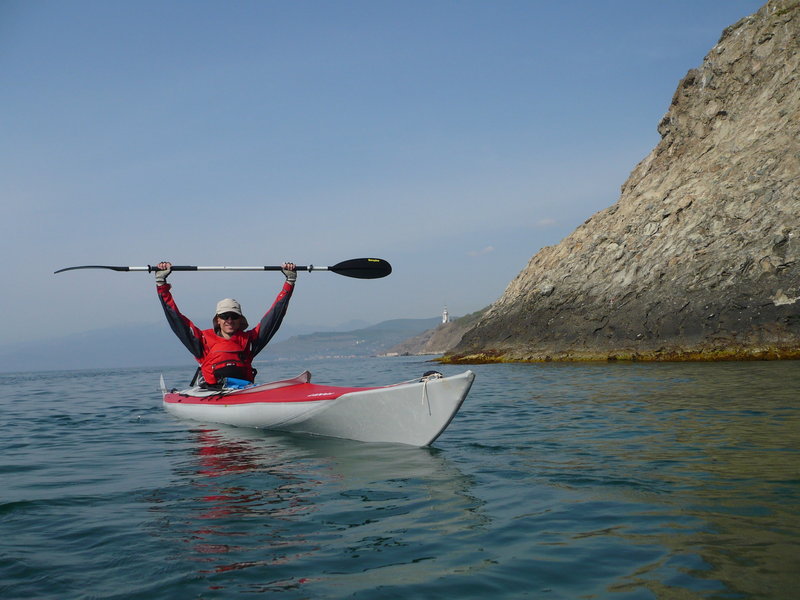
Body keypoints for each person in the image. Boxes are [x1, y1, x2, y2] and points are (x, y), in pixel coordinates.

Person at [154, 261, 297, 388]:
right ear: (218, 320)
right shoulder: (202, 340)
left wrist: (289, 282)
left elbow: (274, 317)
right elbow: (175, 318)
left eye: (234, 316)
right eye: (224, 316)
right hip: (211, 392)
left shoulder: (250, 340)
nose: (229, 320)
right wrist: (161, 283)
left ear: (240, 320)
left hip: (243, 391)